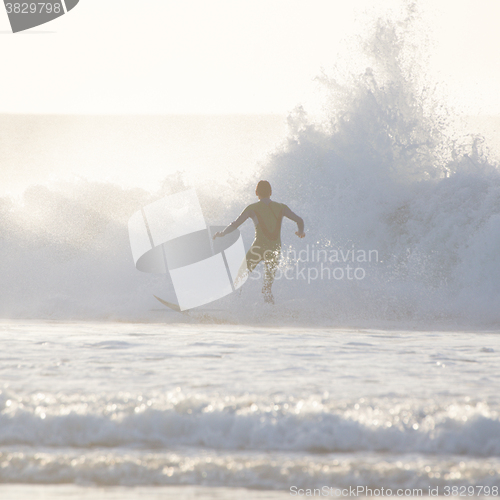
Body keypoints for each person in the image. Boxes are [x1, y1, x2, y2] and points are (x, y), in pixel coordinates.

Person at [213, 180, 305, 304]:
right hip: (274, 250)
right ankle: (271, 313)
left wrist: (222, 233)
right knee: (267, 288)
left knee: (239, 279)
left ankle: (232, 308)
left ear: (256, 193)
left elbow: (235, 224)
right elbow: (299, 220)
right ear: (271, 192)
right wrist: (300, 232)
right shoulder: (281, 207)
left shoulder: (252, 208)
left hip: (258, 249)